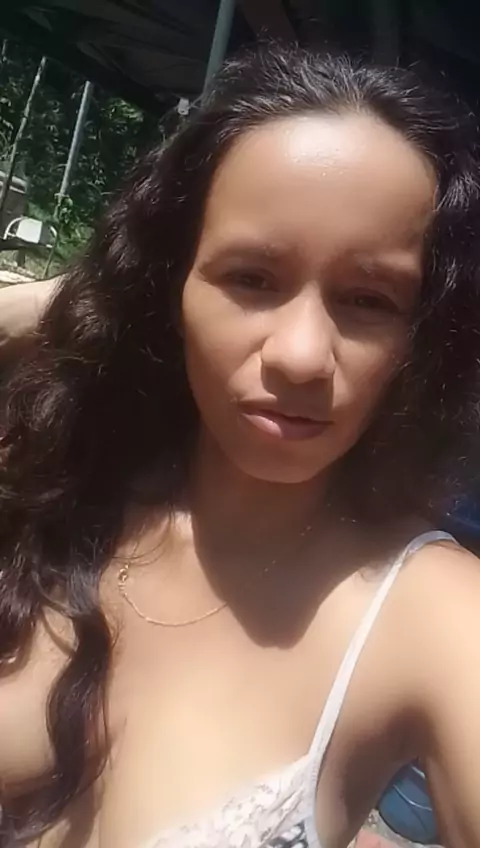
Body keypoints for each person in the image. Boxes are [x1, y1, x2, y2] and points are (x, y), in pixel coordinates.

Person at [1, 44, 480, 848]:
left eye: (369, 299)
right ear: (170, 284)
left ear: (421, 338)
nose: (300, 355)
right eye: (251, 278)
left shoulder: (434, 614)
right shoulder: (55, 484)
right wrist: (70, 308)